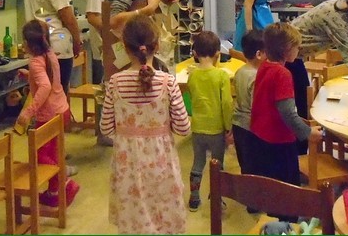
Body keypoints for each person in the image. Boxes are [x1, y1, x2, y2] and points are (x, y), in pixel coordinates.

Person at [100, 14, 191, 235]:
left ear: (124, 47)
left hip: (127, 163)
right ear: (157, 45)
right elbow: (184, 127)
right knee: (163, 216)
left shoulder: (115, 82)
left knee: (133, 219)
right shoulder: (168, 82)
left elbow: (105, 128)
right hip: (161, 162)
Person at [250, 23, 323, 197]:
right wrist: (307, 132)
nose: (299, 50)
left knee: (271, 185)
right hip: (279, 139)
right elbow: (288, 112)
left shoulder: (264, 66)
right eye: (297, 47)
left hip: (260, 134)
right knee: (287, 189)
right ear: (287, 50)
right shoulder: (283, 74)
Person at [15, 20, 80, 206]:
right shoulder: (50, 54)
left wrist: (28, 112)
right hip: (62, 109)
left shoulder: (35, 62)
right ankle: (53, 192)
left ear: (29, 43)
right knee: (55, 153)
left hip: (48, 115)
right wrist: (30, 76)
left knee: (40, 155)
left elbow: (45, 86)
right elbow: (50, 77)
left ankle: (66, 184)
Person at [186, 31, 234, 212]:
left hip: (198, 127)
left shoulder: (192, 75)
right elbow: (226, 103)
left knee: (198, 163)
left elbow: (191, 98)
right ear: (217, 53)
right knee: (217, 165)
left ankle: (194, 198)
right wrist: (228, 126)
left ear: (195, 53)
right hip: (216, 129)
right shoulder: (221, 76)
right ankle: (216, 199)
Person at [231, 30, 265, 176]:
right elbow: (256, 107)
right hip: (251, 127)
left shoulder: (240, 71)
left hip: (238, 124)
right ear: (259, 54)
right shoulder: (257, 76)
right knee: (256, 167)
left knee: (245, 165)